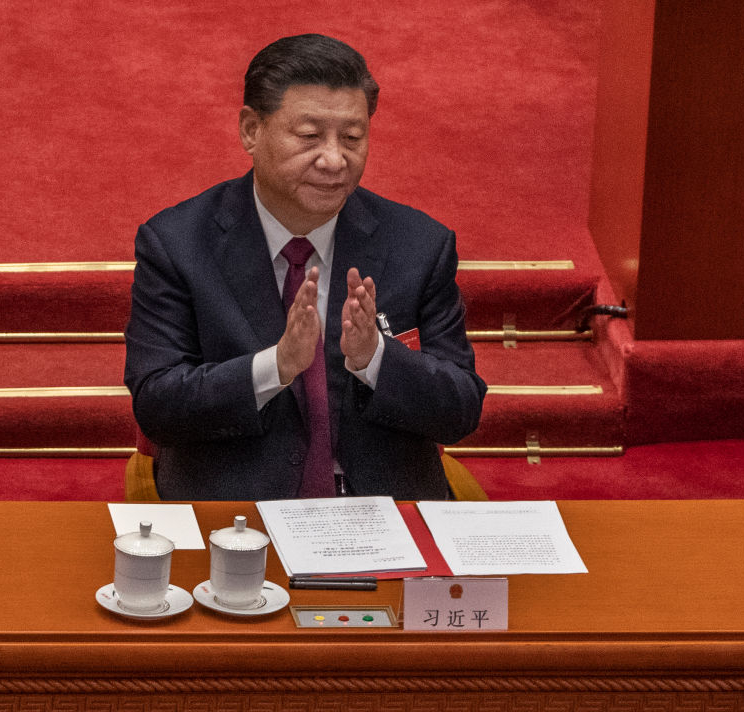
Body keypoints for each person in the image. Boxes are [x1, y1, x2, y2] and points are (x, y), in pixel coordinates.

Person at [124, 33, 486, 501]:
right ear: (251, 130)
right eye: (310, 136)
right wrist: (273, 367)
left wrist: (374, 359)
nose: (335, 159)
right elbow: (158, 406)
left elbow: (461, 411)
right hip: (239, 518)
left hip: (384, 515)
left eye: (353, 138)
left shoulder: (418, 245)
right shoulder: (178, 243)